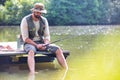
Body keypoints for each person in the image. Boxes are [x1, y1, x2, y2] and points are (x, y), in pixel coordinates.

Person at [20, 3, 68, 74]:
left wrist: (45, 44)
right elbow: (25, 38)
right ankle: (32, 72)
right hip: (29, 43)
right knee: (31, 52)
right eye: (37, 12)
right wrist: (36, 46)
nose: (38, 14)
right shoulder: (25, 20)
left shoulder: (44, 20)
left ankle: (66, 69)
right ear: (33, 11)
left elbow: (47, 36)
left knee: (57, 49)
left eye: (40, 13)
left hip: (41, 42)